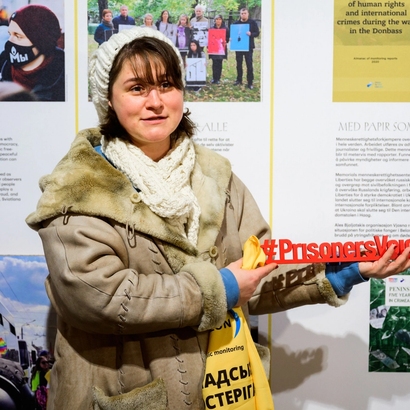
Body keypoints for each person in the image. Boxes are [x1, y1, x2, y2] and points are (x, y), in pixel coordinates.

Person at [26, 27, 410, 409]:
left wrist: (343, 271)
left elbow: (254, 273)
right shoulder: (78, 189)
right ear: (108, 99)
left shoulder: (216, 176)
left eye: (166, 84)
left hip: (223, 393)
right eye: (137, 88)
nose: (156, 101)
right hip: (124, 397)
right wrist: (219, 289)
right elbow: (98, 296)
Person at [0, 4, 64, 101]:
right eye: (10, 34)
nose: (10, 41)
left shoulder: (64, 78)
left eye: (18, 36)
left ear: (41, 41)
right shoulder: (4, 67)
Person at [232, 7, 259, 90]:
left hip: (248, 47)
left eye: (245, 13)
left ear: (248, 14)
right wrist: (231, 38)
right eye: (242, 13)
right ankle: (239, 80)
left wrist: (251, 34)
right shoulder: (236, 24)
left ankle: (250, 82)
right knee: (239, 64)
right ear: (240, 14)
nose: (243, 15)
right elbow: (233, 34)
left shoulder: (252, 22)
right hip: (239, 47)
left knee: (249, 64)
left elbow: (257, 33)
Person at [208, 14, 229, 84]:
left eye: (219, 19)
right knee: (214, 63)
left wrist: (226, 41)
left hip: (221, 49)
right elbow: (209, 39)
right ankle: (214, 78)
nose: (218, 21)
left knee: (219, 63)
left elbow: (227, 38)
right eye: (217, 19)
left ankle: (218, 78)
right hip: (214, 48)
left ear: (221, 20)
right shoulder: (211, 28)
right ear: (215, 20)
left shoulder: (225, 29)